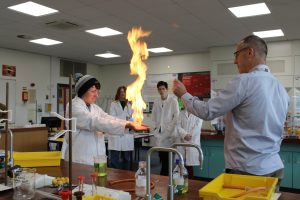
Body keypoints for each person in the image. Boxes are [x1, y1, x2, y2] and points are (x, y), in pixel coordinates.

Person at [173, 35, 289, 185]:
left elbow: (208, 111)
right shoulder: (280, 88)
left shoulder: (244, 81)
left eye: (236, 55)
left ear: (249, 52)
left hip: (246, 170)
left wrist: (184, 94)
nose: (235, 61)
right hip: (274, 168)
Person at [62, 74, 148, 165]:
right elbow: (94, 122)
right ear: (83, 92)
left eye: (97, 92)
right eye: (93, 91)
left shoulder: (94, 107)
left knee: (99, 179)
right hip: (80, 158)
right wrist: (127, 125)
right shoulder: (73, 106)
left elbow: (108, 118)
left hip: (98, 158)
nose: (96, 95)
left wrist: (130, 123)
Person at [152, 81, 179, 175]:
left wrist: (169, 130)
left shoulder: (173, 100)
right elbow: (154, 116)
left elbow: (176, 117)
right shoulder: (156, 102)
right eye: (159, 89)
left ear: (167, 89)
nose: (161, 91)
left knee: (168, 158)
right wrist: (156, 128)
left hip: (170, 134)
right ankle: (164, 175)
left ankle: (165, 176)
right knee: (162, 157)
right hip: (159, 133)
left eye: (163, 89)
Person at [108, 86, 134, 170]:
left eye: (124, 92)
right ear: (118, 93)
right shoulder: (113, 104)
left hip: (127, 134)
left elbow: (133, 118)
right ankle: (114, 175)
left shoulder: (129, 105)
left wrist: (129, 119)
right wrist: (124, 119)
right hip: (116, 134)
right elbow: (112, 117)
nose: (122, 93)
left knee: (126, 159)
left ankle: (125, 174)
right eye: (121, 92)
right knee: (114, 159)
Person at [176, 99, 203, 178]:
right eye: (184, 102)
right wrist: (184, 135)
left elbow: (197, 128)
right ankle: (180, 183)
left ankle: (190, 183)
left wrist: (188, 136)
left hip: (192, 142)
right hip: (182, 142)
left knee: (190, 167)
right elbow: (178, 126)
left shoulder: (198, 114)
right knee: (181, 165)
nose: (185, 104)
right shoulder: (180, 114)